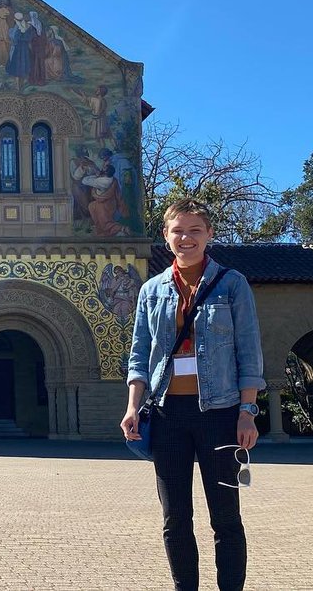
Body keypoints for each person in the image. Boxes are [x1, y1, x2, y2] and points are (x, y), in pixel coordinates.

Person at [122, 198, 265, 591]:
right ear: (166, 236)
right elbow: (139, 354)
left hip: (219, 413)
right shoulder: (151, 290)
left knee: (226, 517)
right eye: (178, 231)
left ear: (209, 235)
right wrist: (133, 406)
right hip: (167, 414)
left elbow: (248, 352)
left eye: (194, 230)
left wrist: (247, 411)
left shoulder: (232, 284)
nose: (186, 238)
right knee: (175, 518)